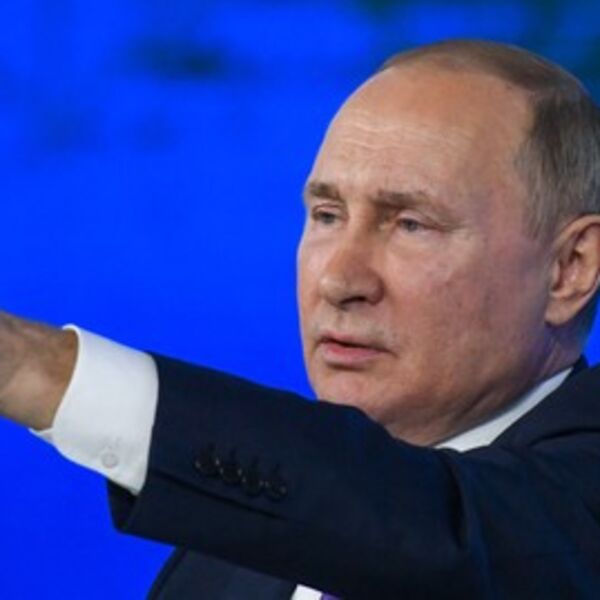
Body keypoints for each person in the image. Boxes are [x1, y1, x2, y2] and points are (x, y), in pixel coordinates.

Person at [2, 38, 600, 599]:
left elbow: (430, 533)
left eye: (411, 225)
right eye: (327, 215)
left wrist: (37, 371)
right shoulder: (228, 555)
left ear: (570, 268)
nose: (339, 281)